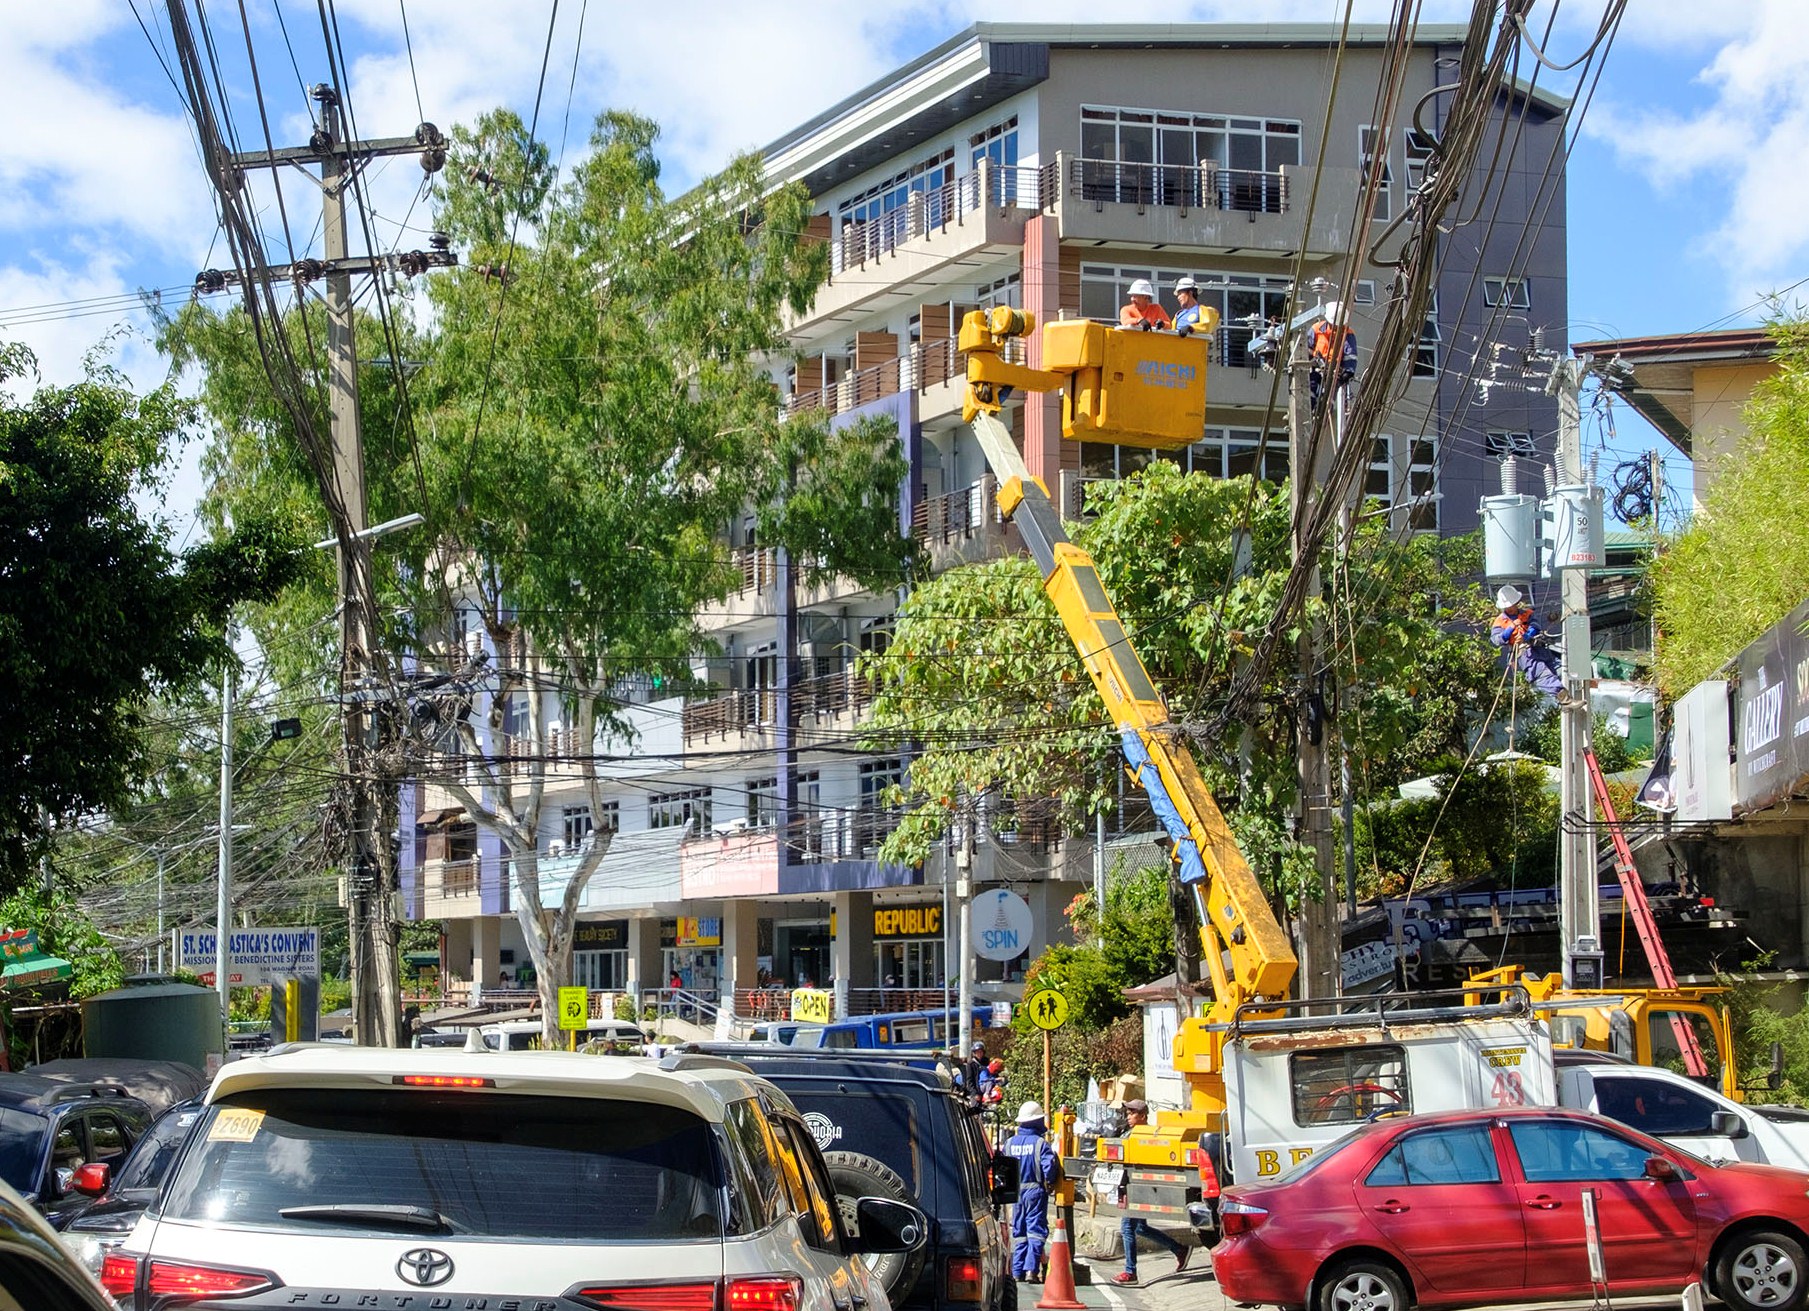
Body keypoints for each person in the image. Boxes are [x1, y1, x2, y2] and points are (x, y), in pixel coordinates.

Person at [1112, 1100, 1191, 1283]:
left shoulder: (1143, 1135)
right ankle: (1179, 1249)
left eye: (1132, 1113)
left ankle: (1130, 1272)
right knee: (1140, 1227)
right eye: (1128, 1113)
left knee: (1127, 1228)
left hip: (1137, 1185)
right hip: (1133, 1184)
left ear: (1143, 1116)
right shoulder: (1129, 1133)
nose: (1128, 1116)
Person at [1006, 1101, 1059, 1283]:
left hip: (1015, 1193)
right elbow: (1049, 1169)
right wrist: (1051, 1182)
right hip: (1035, 1191)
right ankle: (1031, 1271)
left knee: (1019, 1232)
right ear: (1037, 1121)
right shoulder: (1040, 1144)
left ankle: (1016, 1271)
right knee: (1035, 1232)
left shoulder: (1009, 1143)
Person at [1490, 584, 1567, 701]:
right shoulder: (1500, 621)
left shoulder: (1527, 614)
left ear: (1516, 602)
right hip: (1524, 654)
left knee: (1561, 669)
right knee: (1540, 672)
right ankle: (1563, 697)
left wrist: (1527, 635)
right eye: (1507, 606)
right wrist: (1510, 628)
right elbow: (1497, 640)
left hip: (1539, 648)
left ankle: (1568, 697)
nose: (1510, 608)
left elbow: (1535, 625)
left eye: (1512, 605)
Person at [1308, 307, 1358, 408]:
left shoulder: (1348, 333)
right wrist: (1312, 357)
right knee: (1310, 391)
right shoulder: (1316, 329)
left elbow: (1350, 355)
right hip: (1316, 366)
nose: (1336, 327)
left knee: (1327, 400)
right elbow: (1307, 347)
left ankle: (1323, 415)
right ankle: (1310, 410)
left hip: (1335, 371)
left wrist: (1348, 371)